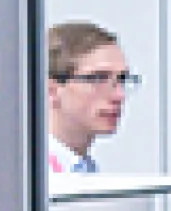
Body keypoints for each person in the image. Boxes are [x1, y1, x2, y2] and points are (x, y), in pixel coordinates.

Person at [45, 21, 133, 174]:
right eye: (98, 78)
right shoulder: (15, 180)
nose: (119, 95)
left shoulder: (85, 170)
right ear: (51, 90)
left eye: (122, 79)